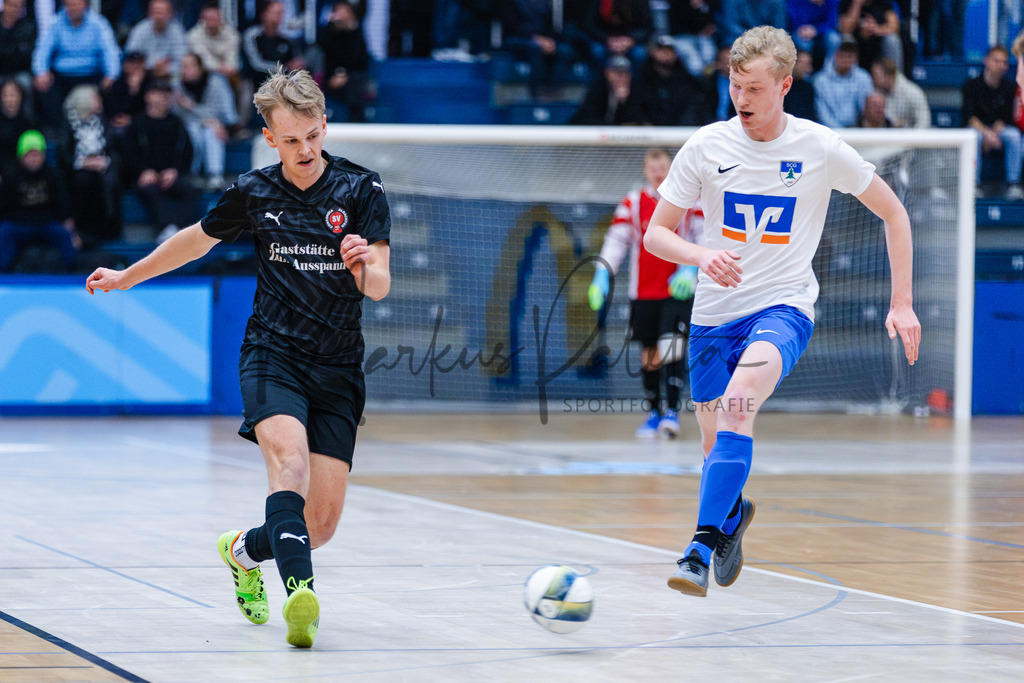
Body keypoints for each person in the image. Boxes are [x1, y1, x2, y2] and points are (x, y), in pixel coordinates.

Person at [85, 66, 392, 649]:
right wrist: (128, 276)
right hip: (273, 353)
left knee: (320, 525)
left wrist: (362, 266)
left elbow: (379, 286)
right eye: (291, 140)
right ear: (270, 138)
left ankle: (241, 552)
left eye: (312, 135)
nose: (305, 150)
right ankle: (301, 598)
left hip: (338, 367)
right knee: (290, 467)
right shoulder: (255, 191)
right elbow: (194, 240)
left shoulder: (361, 188)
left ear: (325, 124)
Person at [642, 25, 920, 597]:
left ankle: (698, 550)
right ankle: (732, 515)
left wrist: (902, 303)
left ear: (785, 86)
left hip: (784, 308)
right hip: (713, 316)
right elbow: (655, 234)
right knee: (714, 445)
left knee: (738, 405)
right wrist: (701, 255)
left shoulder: (820, 148)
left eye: (754, 88)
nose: (741, 99)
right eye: (734, 85)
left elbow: (894, 214)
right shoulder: (707, 146)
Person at [589, 148, 703, 438]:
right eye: (652, 168)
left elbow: (704, 235)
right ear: (645, 171)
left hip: (677, 290)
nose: (657, 173)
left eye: (662, 167)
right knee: (649, 351)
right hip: (643, 291)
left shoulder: (690, 199)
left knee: (673, 347)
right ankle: (653, 412)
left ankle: (672, 413)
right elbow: (616, 241)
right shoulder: (633, 202)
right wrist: (602, 273)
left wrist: (691, 269)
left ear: (671, 168)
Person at [118, 78, 194, 240]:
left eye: (166, 95)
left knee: (190, 189)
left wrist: (175, 170)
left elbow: (186, 151)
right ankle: (167, 228)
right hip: (144, 176)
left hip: (171, 174)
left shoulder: (176, 123)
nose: (163, 98)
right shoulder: (137, 123)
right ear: (148, 97)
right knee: (150, 189)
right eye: (158, 94)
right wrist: (143, 171)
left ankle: (176, 228)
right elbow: (128, 154)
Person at [31, 0, 121, 129]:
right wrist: (41, 72)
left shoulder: (98, 24)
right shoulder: (55, 23)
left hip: (91, 75)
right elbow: (42, 50)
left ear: (85, 5)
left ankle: (106, 130)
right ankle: (56, 132)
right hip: (62, 76)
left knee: (114, 86)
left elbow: (110, 51)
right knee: (43, 87)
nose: (73, 8)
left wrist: (111, 75)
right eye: (70, 4)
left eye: (77, 4)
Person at [0, 129, 79, 272]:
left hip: (45, 223)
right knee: (5, 233)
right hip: (18, 224)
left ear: (44, 155)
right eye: (29, 154)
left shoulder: (53, 176)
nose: (33, 158)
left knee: (63, 235)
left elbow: (63, 205)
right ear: (21, 156)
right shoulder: (10, 177)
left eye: (37, 154)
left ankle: (70, 272)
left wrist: (72, 233)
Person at [59, 83, 121, 245]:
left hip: (102, 166)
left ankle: (109, 228)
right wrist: (84, 162)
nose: (100, 101)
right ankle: (85, 230)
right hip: (75, 169)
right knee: (84, 180)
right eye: (96, 97)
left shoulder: (102, 121)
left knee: (111, 179)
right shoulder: (68, 122)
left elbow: (113, 150)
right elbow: (64, 153)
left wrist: (103, 161)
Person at [962, 45, 1022, 200]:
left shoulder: (1010, 87)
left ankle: (1013, 184)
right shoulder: (971, 85)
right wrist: (987, 133)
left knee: (1014, 136)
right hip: (979, 130)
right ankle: (973, 184)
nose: (1000, 66)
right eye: (996, 61)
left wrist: (994, 134)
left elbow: (1009, 118)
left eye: (1004, 62)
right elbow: (969, 117)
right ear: (986, 61)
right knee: (973, 136)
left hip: (1000, 132)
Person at [173, 52, 238, 189]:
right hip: (188, 129)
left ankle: (215, 175)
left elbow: (226, 115)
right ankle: (193, 173)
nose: (186, 70)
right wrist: (204, 119)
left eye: (190, 66)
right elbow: (178, 116)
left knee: (211, 131)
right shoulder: (177, 86)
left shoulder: (216, 83)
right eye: (183, 66)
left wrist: (191, 106)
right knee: (193, 129)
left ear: (200, 68)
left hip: (221, 128)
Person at [636, 34, 715, 126]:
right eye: (661, 50)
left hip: (680, 130)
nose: (666, 54)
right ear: (652, 52)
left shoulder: (686, 80)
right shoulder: (642, 78)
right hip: (649, 131)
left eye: (670, 50)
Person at [317, 0, 372, 123]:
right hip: (329, 77)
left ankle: (357, 120)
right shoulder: (329, 34)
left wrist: (344, 75)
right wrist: (331, 25)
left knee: (356, 82)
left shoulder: (356, 35)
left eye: (344, 11)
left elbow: (359, 61)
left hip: (351, 78)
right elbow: (322, 48)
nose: (340, 15)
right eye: (337, 11)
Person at [569, 54, 643, 125]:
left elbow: (634, 120)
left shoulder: (634, 89)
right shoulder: (598, 88)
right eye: (617, 73)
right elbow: (589, 117)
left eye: (625, 73)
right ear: (607, 73)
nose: (621, 77)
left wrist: (623, 101)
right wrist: (616, 125)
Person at [812, 40, 872, 128]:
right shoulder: (820, 80)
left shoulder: (863, 77)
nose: (846, 60)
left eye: (849, 57)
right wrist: (839, 131)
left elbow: (865, 108)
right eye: (843, 56)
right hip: (828, 129)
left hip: (857, 129)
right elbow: (821, 111)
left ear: (855, 58)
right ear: (835, 56)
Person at [123, 0, 188, 80]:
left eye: (162, 13)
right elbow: (130, 58)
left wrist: (168, 69)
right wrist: (152, 66)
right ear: (149, 13)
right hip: (144, 74)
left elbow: (183, 60)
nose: (159, 17)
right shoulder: (140, 30)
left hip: (169, 75)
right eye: (156, 12)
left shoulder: (177, 32)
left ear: (170, 14)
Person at [869, 57, 930, 129]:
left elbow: (924, 123)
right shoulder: (877, 92)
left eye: (876, 75)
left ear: (888, 76)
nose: (872, 78)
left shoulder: (913, 93)